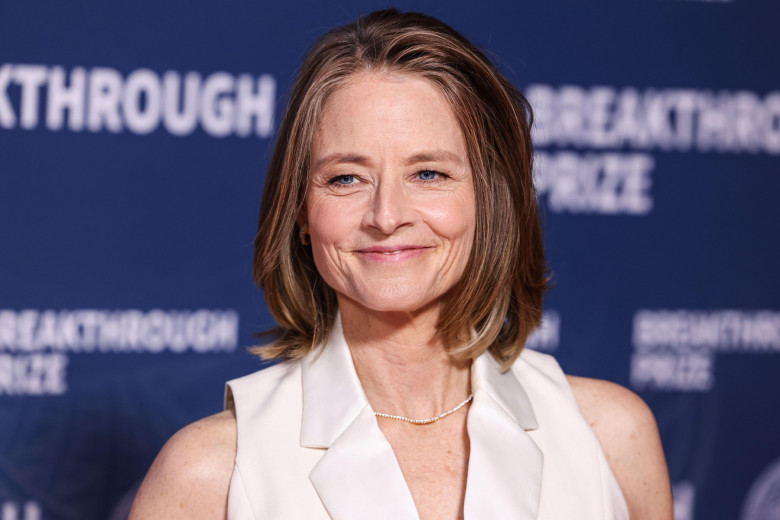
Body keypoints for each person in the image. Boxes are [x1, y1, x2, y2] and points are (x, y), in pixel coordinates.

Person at [129, 8, 672, 520]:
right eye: (346, 178)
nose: (386, 216)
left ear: (491, 199)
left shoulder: (609, 434)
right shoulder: (209, 473)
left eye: (429, 174)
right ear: (300, 211)